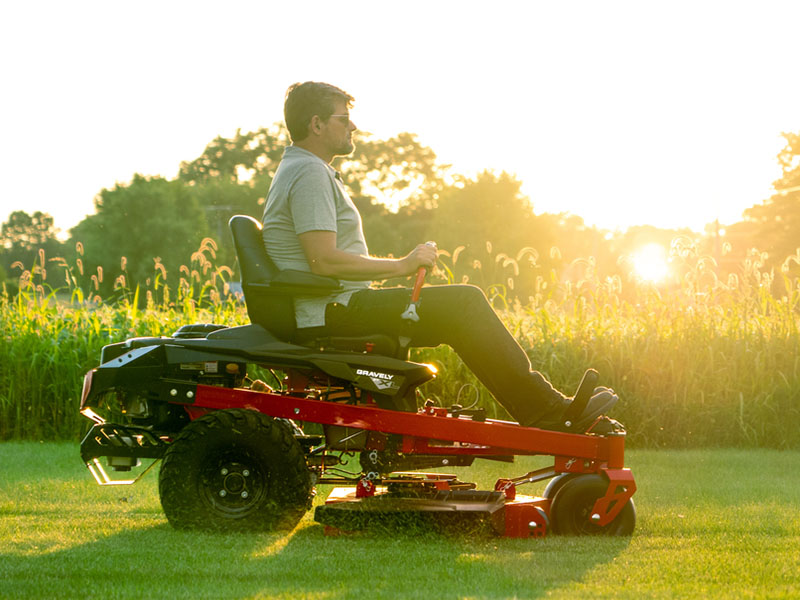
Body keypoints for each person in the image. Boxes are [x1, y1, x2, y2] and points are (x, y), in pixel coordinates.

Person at [261, 81, 616, 430]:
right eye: (343, 118)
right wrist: (402, 265)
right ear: (317, 124)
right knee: (464, 303)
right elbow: (322, 260)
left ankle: (545, 409)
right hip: (333, 312)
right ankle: (547, 411)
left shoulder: (306, 169)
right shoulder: (308, 173)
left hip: (335, 306)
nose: (353, 125)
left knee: (460, 306)